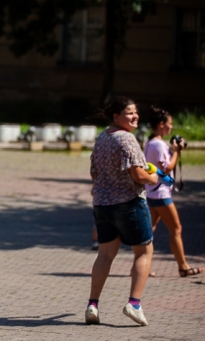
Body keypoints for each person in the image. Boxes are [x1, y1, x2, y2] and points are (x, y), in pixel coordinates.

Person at [86, 97, 159, 326]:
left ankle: (93, 305)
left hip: (103, 205)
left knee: (105, 255)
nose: (135, 116)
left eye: (136, 112)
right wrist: (154, 178)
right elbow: (138, 176)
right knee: (144, 252)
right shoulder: (127, 139)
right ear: (116, 116)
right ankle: (134, 304)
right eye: (129, 113)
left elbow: (94, 173)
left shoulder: (102, 138)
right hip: (128, 203)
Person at [144, 106, 203, 277]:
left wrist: (173, 151)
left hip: (152, 192)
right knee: (176, 229)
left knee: (148, 232)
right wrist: (176, 151)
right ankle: (183, 267)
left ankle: (140, 267)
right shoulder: (159, 144)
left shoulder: (150, 142)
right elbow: (167, 166)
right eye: (170, 124)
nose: (171, 127)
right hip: (161, 194)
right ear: (161, 124)